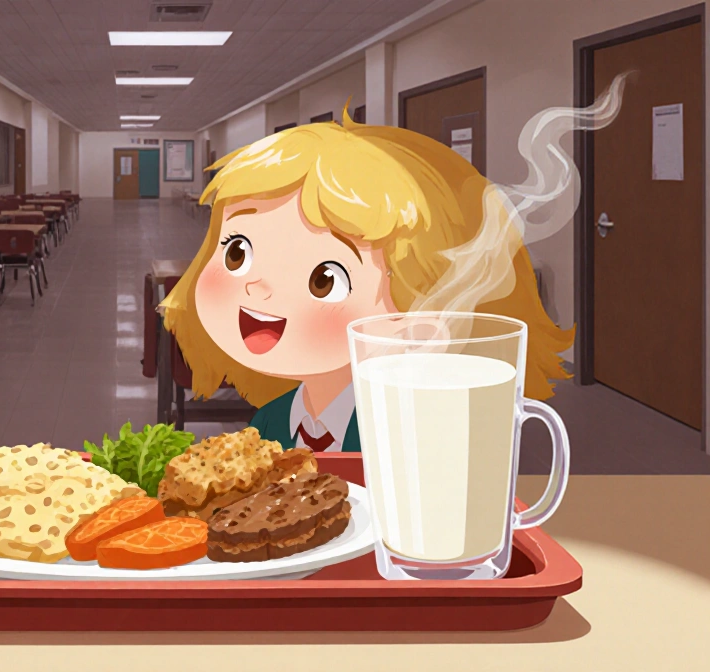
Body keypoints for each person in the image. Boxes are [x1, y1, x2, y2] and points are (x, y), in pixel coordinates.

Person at [160, 110, 571, 451]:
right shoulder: (270, 420)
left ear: (418, 329)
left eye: (326, 279)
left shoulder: (400, 430)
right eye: (237, 253)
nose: (259, 288)